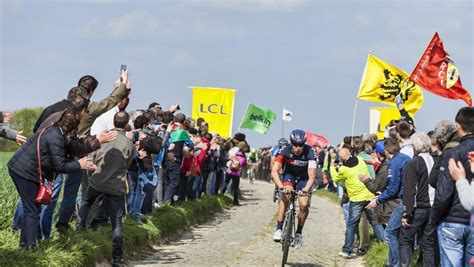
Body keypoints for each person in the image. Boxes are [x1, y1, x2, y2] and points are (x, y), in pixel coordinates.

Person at [7, 104, 96, 249]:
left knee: (32, 210)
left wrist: (95, 143)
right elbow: (60, 165)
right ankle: (29, 248)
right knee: (32, 211)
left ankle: (25, 245)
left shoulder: (58, 132)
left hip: (27, 170)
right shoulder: (56, 136)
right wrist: (80, 165)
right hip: (23, 171)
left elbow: (66, 154)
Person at [77, 111, 134, 267]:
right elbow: (127, 165)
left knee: (86, 202)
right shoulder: (128, 143)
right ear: (126, 123)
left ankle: (79, 232)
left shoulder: (103, 137)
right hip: (116, 184)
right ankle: (117, 259)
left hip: (98, 179)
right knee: (116, 221)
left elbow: (92, 158)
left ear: (113, 122)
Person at [431, 107, 474, 267]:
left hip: (452, 219)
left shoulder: (453, 153)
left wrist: (434, 218)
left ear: (458, 126)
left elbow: (443, 192)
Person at [366, 137, 411, 266]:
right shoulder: (405, 158)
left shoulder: (393, 163)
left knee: (390, 232)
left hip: (404, 200)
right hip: (411, 197)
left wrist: (378, 200)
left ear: (385, 151)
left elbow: (393, 188)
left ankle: (394, 264)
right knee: (402, 235)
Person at [330, 143, 380, 258]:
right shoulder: (360, 159)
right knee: (375, 222)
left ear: (341, 158)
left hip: (356, 199)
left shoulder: (343, 169)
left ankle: (347, 250)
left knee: (352, 224)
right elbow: (363, 162)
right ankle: (384, 243)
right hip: (368, 195)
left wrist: (333, 167)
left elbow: (336, 179)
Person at [271, 130, 316, 249]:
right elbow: (274, 171)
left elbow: (312, 176)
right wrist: (280, 186)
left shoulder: (310, 152)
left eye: (301, 145)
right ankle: (279, 228)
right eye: (295, 145)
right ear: (291, 143)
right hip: (289, 175)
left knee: (304, 204)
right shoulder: (284, 150)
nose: (298, 148)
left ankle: (298, 233)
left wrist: (305, 190)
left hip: (304, 179)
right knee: (285, 195)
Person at [399, 132, 438, 266]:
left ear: (415, 147)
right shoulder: (435, 160)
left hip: (420, 208)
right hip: (434, 208)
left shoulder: (413, 163)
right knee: (427, 243)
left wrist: (406, 213)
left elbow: (409, 190)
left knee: (404, 239)